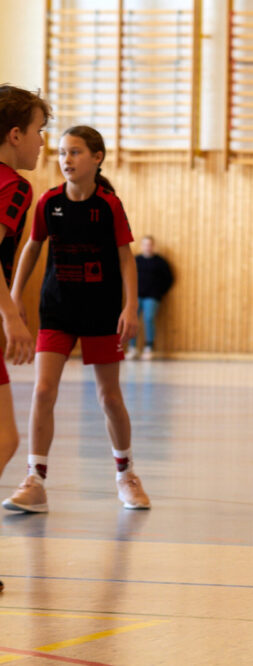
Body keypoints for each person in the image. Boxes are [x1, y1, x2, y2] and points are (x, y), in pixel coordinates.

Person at [3, 125, 150, 514]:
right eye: (62, 153)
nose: (66, 160)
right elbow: (31, 249)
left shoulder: (108, 206)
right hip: (57, 310)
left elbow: (125, 258)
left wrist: (130, 307)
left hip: (101, 312)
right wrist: (15, 297)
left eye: (76, 152)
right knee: (43, 391)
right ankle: (35, 479)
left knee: (109, 397)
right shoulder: (48, 202)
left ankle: (126, 474)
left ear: (97, 158)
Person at [0, 86, 50, 592]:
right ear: (15, 136)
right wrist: (12, 317)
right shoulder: (13, 187)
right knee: (6, 438)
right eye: (38, 131)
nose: (42, 143)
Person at [127, 235, 173, 360]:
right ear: (142, 246)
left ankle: (149, 347)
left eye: (150, 244)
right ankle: (132, 348)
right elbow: (128, 277)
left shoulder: (160, 262)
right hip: (136, 296)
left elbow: (169, 278)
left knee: (148, 318)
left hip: (152, 296)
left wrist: (159, 291)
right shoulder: (136, 260)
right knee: (132, 321)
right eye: (145, 244)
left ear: (153, 246)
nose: (147, 247)